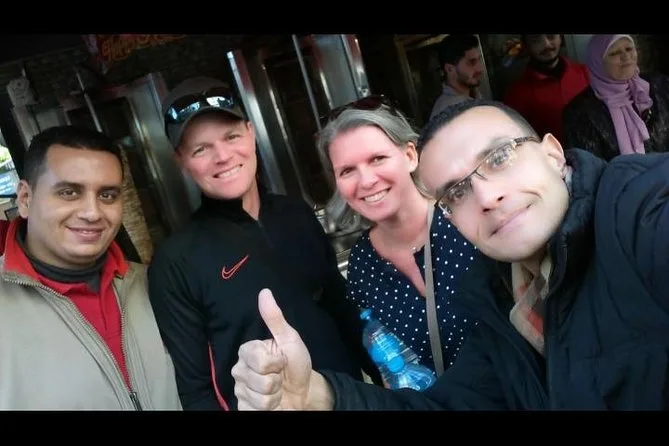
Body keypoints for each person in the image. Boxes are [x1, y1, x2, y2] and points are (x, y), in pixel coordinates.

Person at [230, 98, 669, 410]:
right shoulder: (499, 298)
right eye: (458, 191)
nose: (488, 197)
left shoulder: (636, 215)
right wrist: (318, 396)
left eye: (499, 157)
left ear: (553, 153)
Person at [147, 76, 378, 410]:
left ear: (251, 132)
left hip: (349, 399)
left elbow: (344, 314)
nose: (222, 156)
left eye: (231, 137)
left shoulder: (296, 213)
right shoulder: (175, 262)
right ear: (181, 161)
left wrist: (387, 386)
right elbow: (196, 391)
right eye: (201, 149)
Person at [0, 125, 182, 410]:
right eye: (69, 192)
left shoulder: (152, 284)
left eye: (107, 195)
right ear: (25, 199)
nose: (92, 213)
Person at [315, 96, 478, 377]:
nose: (367, 181)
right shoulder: (362, 265)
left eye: (377, 159)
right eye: (348, 170)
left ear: (410, 156)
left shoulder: (466, 219)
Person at [563, 34, 669, 161]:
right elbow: (589, 167)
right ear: (598, 62)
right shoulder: (580, 113)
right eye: (614, 53)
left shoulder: (660, 87)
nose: (626, 57)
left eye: (629, 49)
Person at [503, 34, 589, 143]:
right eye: (536, 40)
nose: (546, 44)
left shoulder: (585, 73)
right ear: (527, 45)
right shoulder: (517, 94)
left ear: (560, 38)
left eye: (551, 36)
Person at [429, 34, 484, 120]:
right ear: (450, 69)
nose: (480, 68)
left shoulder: (473, 93)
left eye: (479, 60)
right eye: (472, 62)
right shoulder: (448, 112)